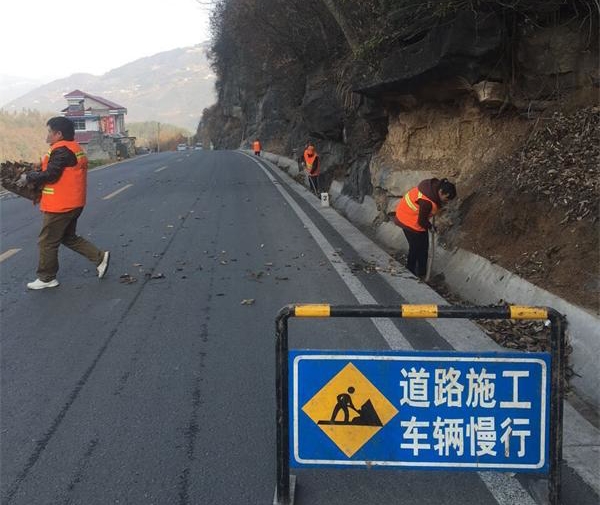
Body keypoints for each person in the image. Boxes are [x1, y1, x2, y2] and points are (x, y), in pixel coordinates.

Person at [17, 116, 110, 290]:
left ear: (58, 134)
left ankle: (47, 278)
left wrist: (28, 176)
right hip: (74, 202)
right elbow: (56, 168)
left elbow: (51, 175)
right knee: (68, 237)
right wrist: (38, 167)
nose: (47, 135)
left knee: (47, 242)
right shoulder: (73, 148)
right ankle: (99, 257)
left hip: (60, 205)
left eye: (49, 131)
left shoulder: (61, 151)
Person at [394, 178, 456, 278]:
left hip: (414, 218)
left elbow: (423, 219)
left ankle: (422, 273)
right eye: (446, 199)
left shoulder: (432, 189)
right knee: (415, 247)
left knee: (424, 247)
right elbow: (421, 221)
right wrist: (431, 227)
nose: (447, 201)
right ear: (441, 192)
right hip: (407, 220)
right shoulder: (426, 202)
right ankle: (410, 270)